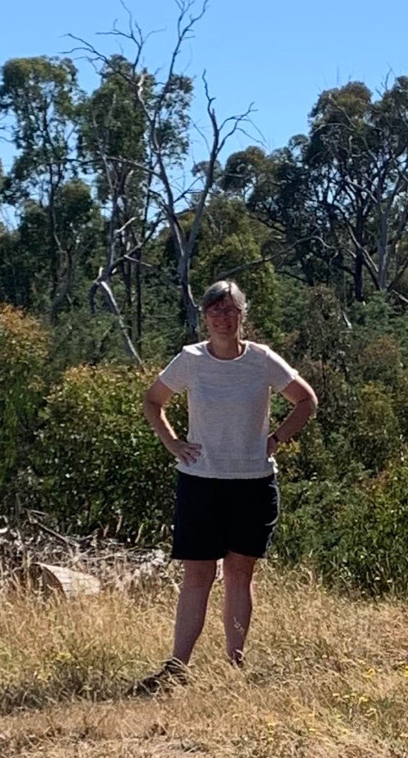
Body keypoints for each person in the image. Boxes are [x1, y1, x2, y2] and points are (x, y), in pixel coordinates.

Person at [137, 280, 318, 691]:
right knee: (197, 575)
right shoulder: (190, 359)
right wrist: (173, 443)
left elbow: (305, 400)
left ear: (243, 315)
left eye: (231, 310)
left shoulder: (262, 360)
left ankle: (235, 665)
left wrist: (276, 440)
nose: (223, 317)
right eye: (216, 310)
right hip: (200, 482)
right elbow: (153, 401)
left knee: (240, 574)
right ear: (205, 316)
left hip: (252, 481)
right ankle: (177, 667)